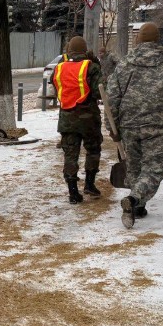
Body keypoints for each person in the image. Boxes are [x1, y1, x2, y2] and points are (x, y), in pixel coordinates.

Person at [106, 23, 163, 228]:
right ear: (157, 39)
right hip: (158, 126)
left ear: (139, 40)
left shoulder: (124, 64)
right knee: (153, 169)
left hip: (129, 125)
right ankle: (135, 200)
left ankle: (137, 207)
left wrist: (112, 127)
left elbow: (112, 99)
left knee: (134, 168)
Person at [52, 36, 104, 203]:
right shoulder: (91, 67)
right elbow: (99, 91)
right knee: (93, 150)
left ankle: (73, 192)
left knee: (70, 154)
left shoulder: (59, 68)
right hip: (89, 118)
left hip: (67, 118)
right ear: (85, 50)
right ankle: (89, 184)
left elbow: (57, 89)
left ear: (69, 50)